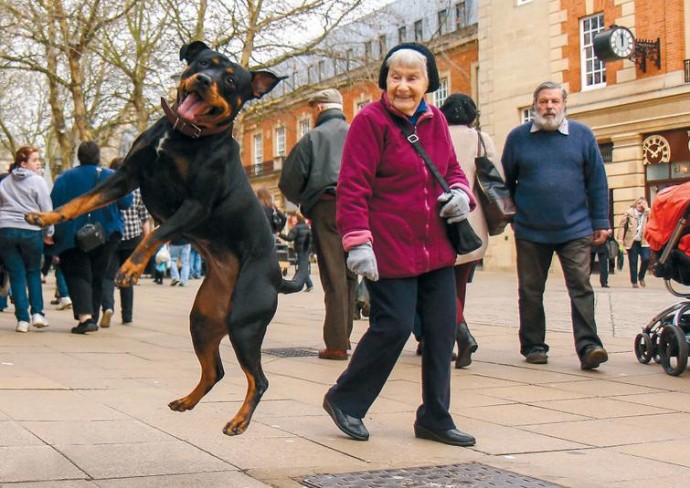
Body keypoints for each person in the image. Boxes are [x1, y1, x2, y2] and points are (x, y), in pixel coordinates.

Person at [323, 43, 476, 447]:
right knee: (392, 327)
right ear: (385, 80)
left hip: (436, 248)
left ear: (428, 83)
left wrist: (461, 194)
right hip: (389, 248)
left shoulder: (436, 119)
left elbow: (452, 170)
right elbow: (353, 186)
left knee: (442, 332)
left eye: (413, 78)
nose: (403, 86)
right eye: (396, 77)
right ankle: (346, 400)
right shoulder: (370, 121)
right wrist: (358, 242)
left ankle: (435, 418)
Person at [502, 80, 609, 370]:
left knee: (581, 287)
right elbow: (505, 184)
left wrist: (601, 221)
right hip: (531, 230)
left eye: (554, 102)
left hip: (575, 228)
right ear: (535, 105)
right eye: (543, 102)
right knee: (531, 290)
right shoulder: (518, 138)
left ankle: (589, 347)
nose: (549, 107)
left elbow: (597, 181)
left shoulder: (583, 136)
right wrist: (512, 217)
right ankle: (534, 346)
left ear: (564, 104)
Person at [279, 88, 357, 360]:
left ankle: (336, 343)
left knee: (333, 273)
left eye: (313, 110)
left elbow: (288, 181)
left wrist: (306, 201)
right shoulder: (357, 133)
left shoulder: (312, 138)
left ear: (321, 109)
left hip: (326, 205)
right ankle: (344, 334)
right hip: (358, 206)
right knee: (350, 272)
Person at [439, 92, 501, 369]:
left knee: (439, 285)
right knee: (459, 284)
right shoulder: (481, 139)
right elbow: (496, 176)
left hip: (441, 217)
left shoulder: (435, 135)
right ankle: (453, 332)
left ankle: (460, 333)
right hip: (473, 221)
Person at [50, 141, 132, 334]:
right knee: (98, 274)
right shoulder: (111, 176)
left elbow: (53, 205)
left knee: (78, 274)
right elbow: (126, 203)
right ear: (98, 156)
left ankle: (85, 317)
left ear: (79, 156)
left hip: (73, 234)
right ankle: (93, 315)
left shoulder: (65, 178)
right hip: (107, 233)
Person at [0, 146, 53, 332]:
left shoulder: (5, 182)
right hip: (30, 229)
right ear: (23, 163)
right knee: (32, 272)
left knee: (16, 274)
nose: (38, 163)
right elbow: (46, 208)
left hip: (5, 230)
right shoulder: (37, 181)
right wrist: (49, 232)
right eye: (34, 160)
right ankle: (37, 313)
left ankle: (22, 319)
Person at [101, 157, 151, 326]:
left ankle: (108, 307)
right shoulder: (136, 189)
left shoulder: (108, 187)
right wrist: (147, 240)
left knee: (108, 275)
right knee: (127, 277)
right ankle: (127, 315)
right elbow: (144, 217)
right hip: (133, 236)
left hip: (112, 235)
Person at [617, 197, 651, 288]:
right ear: (635, 204)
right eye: (639, 203)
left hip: (644, 240)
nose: (641, 205)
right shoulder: (629, 212)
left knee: (646, 258)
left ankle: (641, 276)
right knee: (633, 261)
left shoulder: (647, 213)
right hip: (632, 240)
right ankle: (634, 282)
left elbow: (654, 218)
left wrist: (647, 208)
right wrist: (620, 238)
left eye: (643, 203)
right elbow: (622, 226)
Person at [279, 213, 314, 292]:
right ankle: (309, 284)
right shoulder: (307, 227)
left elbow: (289, 238)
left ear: (297, 219)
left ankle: (299, 284)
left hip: (300, 250)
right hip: (307, 249)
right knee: (304, 266)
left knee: (302, 267)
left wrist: (280, 235)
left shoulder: (296, 228)